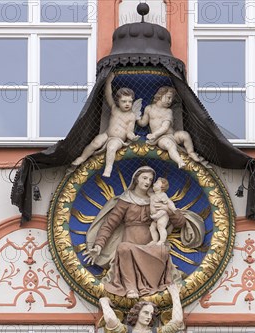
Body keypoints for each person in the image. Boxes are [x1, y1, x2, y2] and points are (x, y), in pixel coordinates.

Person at [84, 166, 191, 299]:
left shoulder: (157, 198)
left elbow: (180, 223)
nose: (148, 182)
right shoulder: (125, 200)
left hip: (152, 246)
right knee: (123, 248)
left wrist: (168, 210)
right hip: (130, 245)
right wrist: (98, 245)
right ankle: (131, 288)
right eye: (144, 178)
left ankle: (151, 285)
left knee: (162, 249)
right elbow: (109, 224)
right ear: (136, 179)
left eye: (151, 179)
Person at [69, 73, 140, 177]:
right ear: (117, 101)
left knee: (112, 148)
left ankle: (108, 168)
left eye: (130, 101)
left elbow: (129, 131)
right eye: (124, 101)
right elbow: (108, 94)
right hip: (107, 134)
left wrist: (132, 137)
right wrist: (108, 82)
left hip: (118, 139)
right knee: (95, 142)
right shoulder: (114, 109)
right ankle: (83, 157)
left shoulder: (132, 116)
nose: (127, 104)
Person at [138, 86, 202, 168]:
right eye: (168, 97)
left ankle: (191, 152)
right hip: (160, 138)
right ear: (160, 95)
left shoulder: (168, 111)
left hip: (172, 135)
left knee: (184, 134)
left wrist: (154, 135)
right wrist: (136, 118)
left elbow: (165, 127)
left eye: (171, 99)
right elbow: (143, 123)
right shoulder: (149, 108)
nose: (170, 101)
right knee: (170, 145)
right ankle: (179, 161)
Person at [148, 177, 176, 245]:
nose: (154, 184)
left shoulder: (163, 195)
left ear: (162, 187)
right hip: (155, 217)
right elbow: (148, 192)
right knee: (152, 228)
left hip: (162, 215)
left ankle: (162, 241)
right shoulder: (153, 195)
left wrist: (173, 209)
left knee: (160, 226)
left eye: (157, 183)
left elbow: (169, 202)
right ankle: (155, 240)